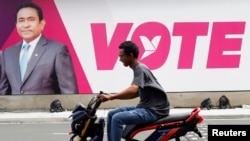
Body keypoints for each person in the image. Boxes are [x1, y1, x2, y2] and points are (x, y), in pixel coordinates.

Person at [98, 41, 170, 141]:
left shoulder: (139, 68)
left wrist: (111, 97)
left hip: (154, 111)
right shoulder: (139, 68)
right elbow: (135, 93)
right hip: (147, 106)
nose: (119, 59)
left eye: (121, 56)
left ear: (130, 55)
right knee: (111, 113)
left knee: (117, 118)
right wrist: (111, 95)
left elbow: (133, 89)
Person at [0, 2, 78, 95]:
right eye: (21, 20)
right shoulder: (7, 53)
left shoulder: (57, 50)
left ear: (42, 24)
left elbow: (69, 92)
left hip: (44, 109)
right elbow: (3, 92)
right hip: (14, 109)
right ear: (16, 25)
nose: (26, 25)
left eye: (31, 19)